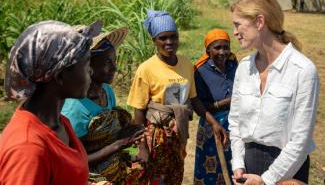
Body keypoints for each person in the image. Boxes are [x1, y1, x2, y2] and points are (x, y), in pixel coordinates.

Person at [127, 10, 228, 185]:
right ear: (154, 41)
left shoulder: (186, 64)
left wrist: (214, 123)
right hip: (156, 135)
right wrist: (142, 147)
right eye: (163, 38)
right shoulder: (146, 68)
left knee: (175, 177)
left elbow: (194, 99)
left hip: (178, 133)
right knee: (156, 178)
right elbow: (138, 111)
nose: (169, 42)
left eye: (173, 37)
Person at [228, 0, 319, 185]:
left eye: (238, 25)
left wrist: (266, 180)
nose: (234, 32)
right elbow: (235, 122)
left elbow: (300, 140)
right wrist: (238, 164)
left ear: (260, 22)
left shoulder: (302, 70)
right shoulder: (244, 67)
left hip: (287, 172)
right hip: (247, 167)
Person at [0, 20, 99, 184]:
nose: (91, 71)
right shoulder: (28, 148)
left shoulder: (59, 122)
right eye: (87, 63)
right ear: (60, 76)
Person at [61, 25, 145, 184]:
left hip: (116, 167)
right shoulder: (75, 108)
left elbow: (117, 136)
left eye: (114, 61)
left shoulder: (107, 91)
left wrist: (133, 151)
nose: (114, 68)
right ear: (88, 66)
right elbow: (75, 160)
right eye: (107, 63)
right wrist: (118, 145)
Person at [193, 29, 238, 184]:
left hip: (235, 123)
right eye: (217, 48)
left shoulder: (234, 65)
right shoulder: (200, 70)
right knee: (211, 168)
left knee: (234, 164)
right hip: (212, 124)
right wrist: (225, 103)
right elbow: (198, 103)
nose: (222, 52)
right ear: (208, 50)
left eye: (226, 47)